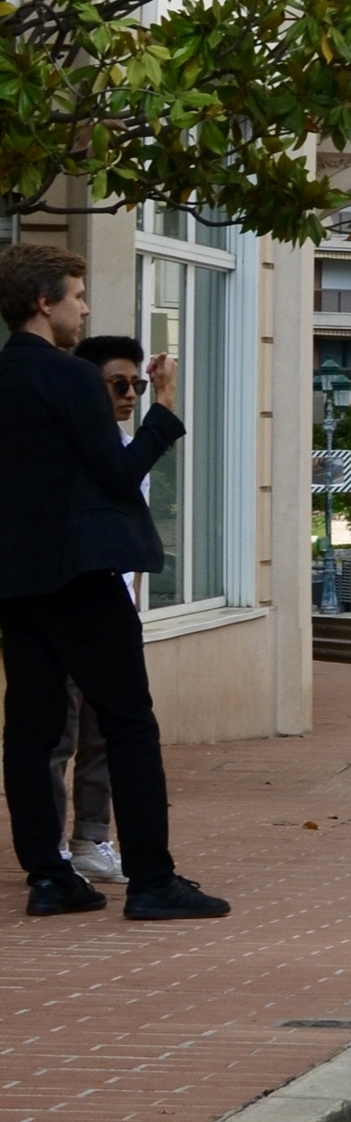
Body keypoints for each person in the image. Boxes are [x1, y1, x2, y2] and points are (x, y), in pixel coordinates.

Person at [0, 243, 228, 919]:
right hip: (81, 574)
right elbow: (117, 474)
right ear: (44, 303)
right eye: (76, 295)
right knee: (129, 722)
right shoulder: (70, 378)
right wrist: (164, 410)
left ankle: (49, 876)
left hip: (17, 582)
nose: (84, 308)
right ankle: (154, 881)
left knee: (30, 729)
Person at [49, 333, 149, 882]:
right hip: (68, 602)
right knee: (57, 732)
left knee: (104, 732)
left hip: (116, 608)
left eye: (138, 384)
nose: (130, 394)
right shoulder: (69, 442)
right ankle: (52, 847)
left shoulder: (129, 446)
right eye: (118, 383)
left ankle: (91, 837)